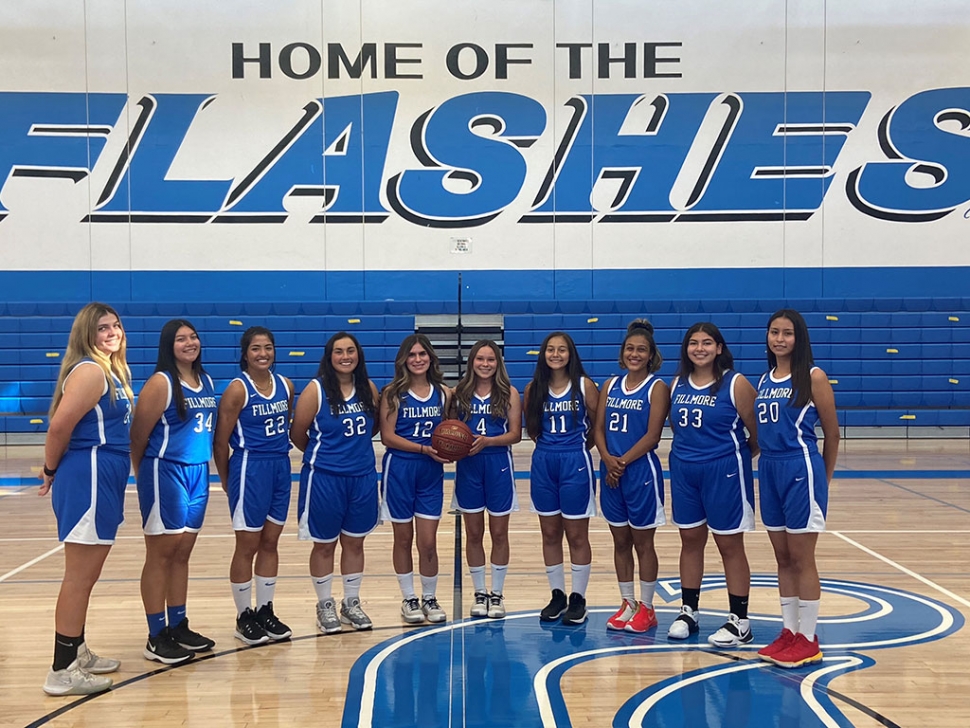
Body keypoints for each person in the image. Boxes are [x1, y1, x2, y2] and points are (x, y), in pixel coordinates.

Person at [39, 303, 133, 696]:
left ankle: (76, 650)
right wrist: (48, 470)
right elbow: (59, 425)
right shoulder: (92, 371)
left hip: (102, 474)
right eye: (101, 328)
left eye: (115, 325)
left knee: (88, 576)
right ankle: (62, 670)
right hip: (88, 475)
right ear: (87, 335)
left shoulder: (110, 369)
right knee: (78, 577)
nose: (111, 332)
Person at [755, 309, 839, 668]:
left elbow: (832, 433)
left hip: (800, 468)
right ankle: (789, 631)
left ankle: (808, 638)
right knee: (782, 558)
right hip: (770, 468)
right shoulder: (764, 379)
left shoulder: (813, 376)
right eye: (774, 332)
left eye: (787, 333)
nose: (779, 339)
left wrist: (825, 477)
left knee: (803, 558)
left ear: (798, 338)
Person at [130, 319, 217, 664]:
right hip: (164, 471)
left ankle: (178, 624)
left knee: (182, 553)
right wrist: (144, 478)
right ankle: (156, 635)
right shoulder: (161, 383)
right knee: (161, 554)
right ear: (169, 346)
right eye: (181, 339)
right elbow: (138, 436)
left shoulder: (206, 380)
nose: (189, 342)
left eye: (193, 336)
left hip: (198, 472)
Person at [667, 322, 759, 647]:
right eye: (694, 343)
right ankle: (688, 611)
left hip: (725, 470)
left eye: (707, 343)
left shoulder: (736, 383)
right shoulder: (677, 383)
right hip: (684, 469)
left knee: (729, 545)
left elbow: (757, 432)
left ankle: (740, 620)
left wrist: (733, 456)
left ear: (719, 348)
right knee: (690, 540)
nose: (700, 348)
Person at [291, 332, 381, 634]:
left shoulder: (367, 388)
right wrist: (326, 456)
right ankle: (325, 603)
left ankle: (351, 602)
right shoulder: (315, 390)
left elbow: (373, 429)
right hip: (325, 478)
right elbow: (298, 433)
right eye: (339, 351)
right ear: (329, 357)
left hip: (362, 476)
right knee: (325, 544)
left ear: (358, 355)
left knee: (355, 542)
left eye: (351, 351)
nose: (346, 356)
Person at [213, 326, 294, 645]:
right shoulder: (237, 389)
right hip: (249, 466)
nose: (263, 354)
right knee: (247, 544)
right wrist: (225, 479)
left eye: (269, 348)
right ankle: (243, 615)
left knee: (271, 542)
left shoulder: (286, 385)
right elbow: (220, 442)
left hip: (280, 465)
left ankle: (265, 609)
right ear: (245, 353)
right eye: (257, 348)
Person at [594, 320, 669, 633]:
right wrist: (608, 460)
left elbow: (653, 435)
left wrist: (620, 463)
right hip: (610, 470)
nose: (634, 354)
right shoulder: (610, 385)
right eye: (630, 349)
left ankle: (648, 607)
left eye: (641, 350)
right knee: (620, 541)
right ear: (622, 352)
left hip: (639, 472)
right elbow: (597, 428)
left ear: (651, 354)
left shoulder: (657, 387)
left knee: (643, 543)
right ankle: (628, 602)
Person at [525, 331, 599, 626]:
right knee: (550, 533)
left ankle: (578, 598)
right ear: (543, 354)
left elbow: (598, 426)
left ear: (571, 354)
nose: (556, 355)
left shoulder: (584, 385)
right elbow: (532, 428)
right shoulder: (534, 389)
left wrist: (579, 447)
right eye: (550, 350)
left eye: (562, 350)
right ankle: (557, 594)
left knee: (577, 534)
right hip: (543, 461)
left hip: (574, 461)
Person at [379, 334, 452, 624]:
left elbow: (450, 430)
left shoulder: (444, 394)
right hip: (400, 468)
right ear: (404, 360)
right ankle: (408, 597)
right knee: (403, 538)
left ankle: (429, 596)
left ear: (431, 358)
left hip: (431, 472)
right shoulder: (393, 393)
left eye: (423, 354)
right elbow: (388, 436)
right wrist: (423, 448)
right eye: (412, 355)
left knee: (428, 541)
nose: (418, 359)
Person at [451, 340, 522, 619]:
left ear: (498, 363)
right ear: (472, 362)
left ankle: (497, 594)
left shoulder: (509, 393)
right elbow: (449, 428)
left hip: (498, 465)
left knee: (499, 533)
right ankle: (480, 592)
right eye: (480, 359)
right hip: (468, 466)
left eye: (490, 359)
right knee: (474, 533)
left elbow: (515, 434)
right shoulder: (459, 394)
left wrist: (488, 441)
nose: (485, 364)